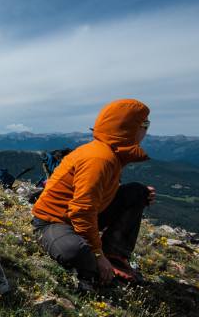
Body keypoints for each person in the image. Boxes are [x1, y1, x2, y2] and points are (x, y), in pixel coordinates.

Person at [31, 99, 156, 285]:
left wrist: (141, 194)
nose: (146, 131)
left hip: (78, 219)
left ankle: (114, 256)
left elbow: (94, 197)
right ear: (129, 128)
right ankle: (104, 269)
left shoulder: (110, 153)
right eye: (145, 125)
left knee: (138, 191)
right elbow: (81, 210)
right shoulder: (100, 158)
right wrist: (97, 254)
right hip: (53, 221)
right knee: (73, 252)